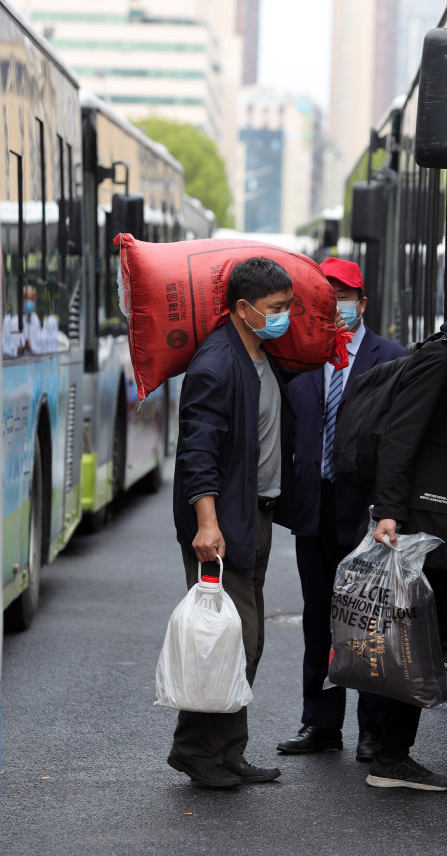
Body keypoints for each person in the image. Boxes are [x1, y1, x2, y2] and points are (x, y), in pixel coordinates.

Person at [168, 257, 296, 789]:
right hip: (222, 524)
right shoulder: (216, 365)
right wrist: (206, 524)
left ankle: (227, 751)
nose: (284, 317)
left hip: (255, 513)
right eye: (275, 309)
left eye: (289, 307)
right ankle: (196, 752)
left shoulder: (261, 355)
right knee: (230, 640)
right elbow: (198, 451)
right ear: (243, 309)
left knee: (242, 637)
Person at [277, 257, 405, 762]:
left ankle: (372, 730)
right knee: (318, 620)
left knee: (369, 622)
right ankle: (321, 724)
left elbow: (399, 444)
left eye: (344, 297)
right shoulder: (300, 356)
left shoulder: (391, 359)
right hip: (315, 507)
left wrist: (391, 510)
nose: (337, 307)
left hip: (367, 514)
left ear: (362, 302)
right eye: (327, 298)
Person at [365, 313, 447, 792]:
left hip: (440, 516)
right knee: (417, 640)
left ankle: (389, 751)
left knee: (420, 638)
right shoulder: (445, 357)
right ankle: (391, 757)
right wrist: (390, 512)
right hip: (428, 519)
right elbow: (400, 438)